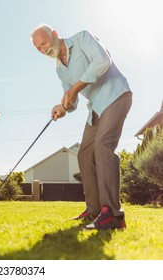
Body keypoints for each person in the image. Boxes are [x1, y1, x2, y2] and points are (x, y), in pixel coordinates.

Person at [31, 24, 132, 230]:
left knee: (103, 146)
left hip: (116, 95)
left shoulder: (81, 39)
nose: (44, 49)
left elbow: (103, 61)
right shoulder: (60, 69)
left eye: (44, 43)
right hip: (95, 109)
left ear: (55, 35)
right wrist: (62, 107)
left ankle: (113, 214)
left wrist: (76, 88)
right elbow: (72, 102)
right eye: (39, 49)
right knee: (84, 154)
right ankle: (94, 210)